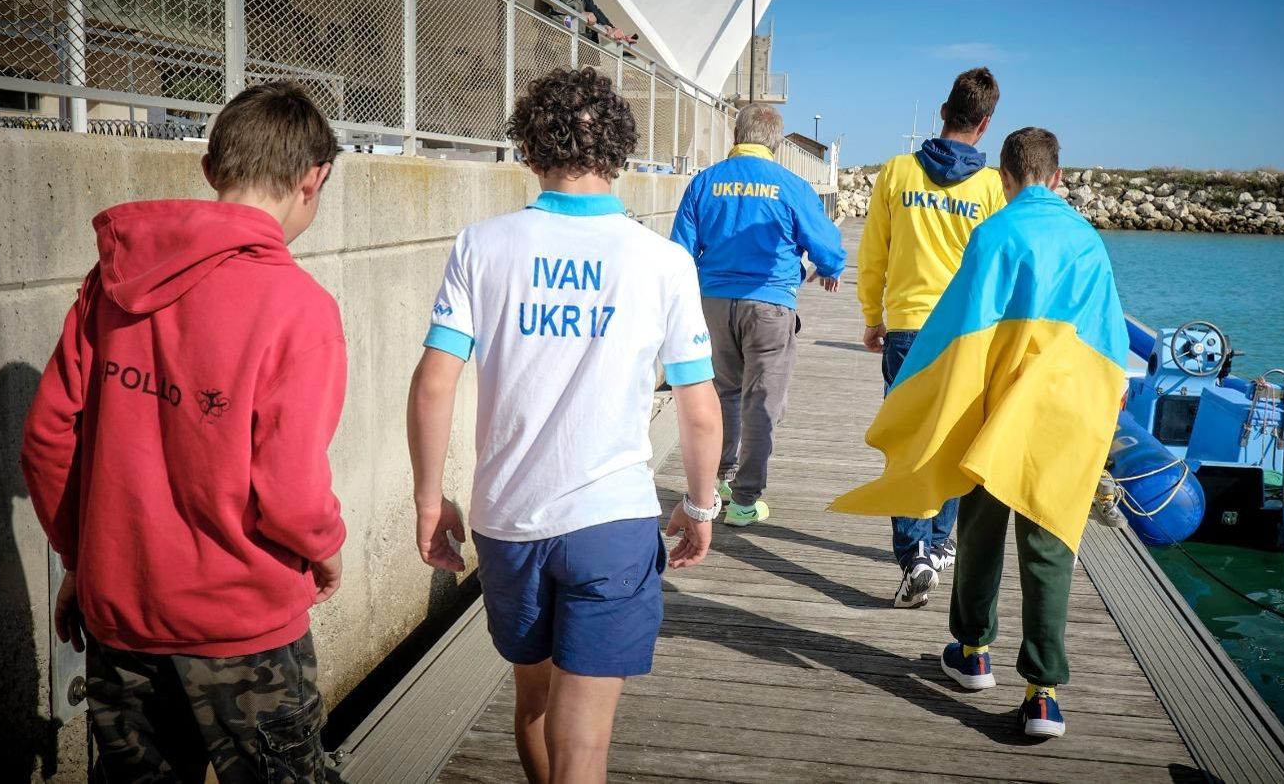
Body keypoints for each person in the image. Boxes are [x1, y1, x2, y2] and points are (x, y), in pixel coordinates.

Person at [20, 81, 347, 781]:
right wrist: (326, 548)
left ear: (209, 170)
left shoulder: (112, 282)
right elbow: (290, 491)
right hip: (242, 625)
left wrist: (82, 557)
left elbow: (48, 436)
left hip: (122, 617)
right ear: (313, 179)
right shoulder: (300, 307)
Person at [407, 67, 721, 784]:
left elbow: (433, 382)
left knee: (534, 702)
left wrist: (429, 500)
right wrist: (701, 507)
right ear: (619, 151)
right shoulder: (663, 261)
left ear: (529, 148)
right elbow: (701, 409)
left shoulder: (482, 245)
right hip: (612, 523)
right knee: (585, 744)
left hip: (508, 518)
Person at [833, 127, 1128, 739]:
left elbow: (957, 334)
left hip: (998, 410)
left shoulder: (993, 235)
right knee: (1049, 547)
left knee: (979, 533)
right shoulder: (1088, 240)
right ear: (1058, 177)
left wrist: (914, 398)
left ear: (1005, 178)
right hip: (1064, 414)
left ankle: (972, 654)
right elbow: (1109, 341)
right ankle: (1043, 695)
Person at [856, 67, 1006, 608]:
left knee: (907, 439)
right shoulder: (991, 187)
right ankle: (941, 541)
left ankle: (915, 553)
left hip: (907, 326)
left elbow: (873, 253)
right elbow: (999, 267)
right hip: (966, 332)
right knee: (953, 437)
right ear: (985, 124)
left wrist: (872, 315)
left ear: (943, 112)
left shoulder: (897, 172)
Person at [670, 104, 846, 527]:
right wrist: (830, 268)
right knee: (762, 401)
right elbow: (827, 246)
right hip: (770, 305)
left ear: (736, 136)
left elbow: (679, 252)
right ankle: (745, 501)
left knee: (724, 393)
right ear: (775, 143)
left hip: (713, 304)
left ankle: (720, 479)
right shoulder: (791, 185)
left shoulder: (704, 182)